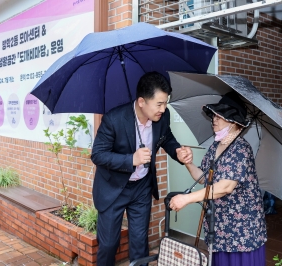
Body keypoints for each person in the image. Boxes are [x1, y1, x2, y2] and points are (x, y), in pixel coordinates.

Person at [91, 71, 192, 266]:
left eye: (166, 103)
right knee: (109, 244)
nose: (163, 109)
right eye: (159, 104)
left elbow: (167, 138)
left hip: (141, 188)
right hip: (114, 189)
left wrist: (177, 151)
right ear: (141, 102)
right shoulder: (114, 119)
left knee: (139, 243)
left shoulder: (162, 117)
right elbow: (98, 155)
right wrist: (131, 159)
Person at [169, 92, 267, 266]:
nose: (214, 119)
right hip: (220, 228)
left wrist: (187, 198)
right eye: (214, 115)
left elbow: (225, 187)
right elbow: (204, 178)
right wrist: (188, 163)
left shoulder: (241, 149)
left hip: (241, 232)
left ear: (234, 122)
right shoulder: (216, 145)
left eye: (220, 116)